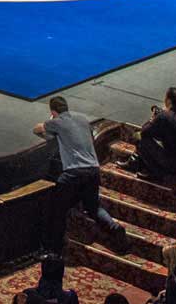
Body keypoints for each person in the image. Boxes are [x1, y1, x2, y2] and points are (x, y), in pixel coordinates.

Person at [34, 96, 122, 244]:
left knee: (58, 209)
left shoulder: (56, 122)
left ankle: (54, 243)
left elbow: (37, 128)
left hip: (73, 173)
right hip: (93, 169)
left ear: (53, 111)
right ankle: (114, 227)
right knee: (93, 207)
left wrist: (51, 121)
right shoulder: (82, 119)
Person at [131, 88, 176, 180]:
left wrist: (154, 118)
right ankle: (133, 162)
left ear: (169, 101)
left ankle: (156, 172)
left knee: (139, 138)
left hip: (173, 165)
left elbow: (144, 132)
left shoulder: (164, 116)